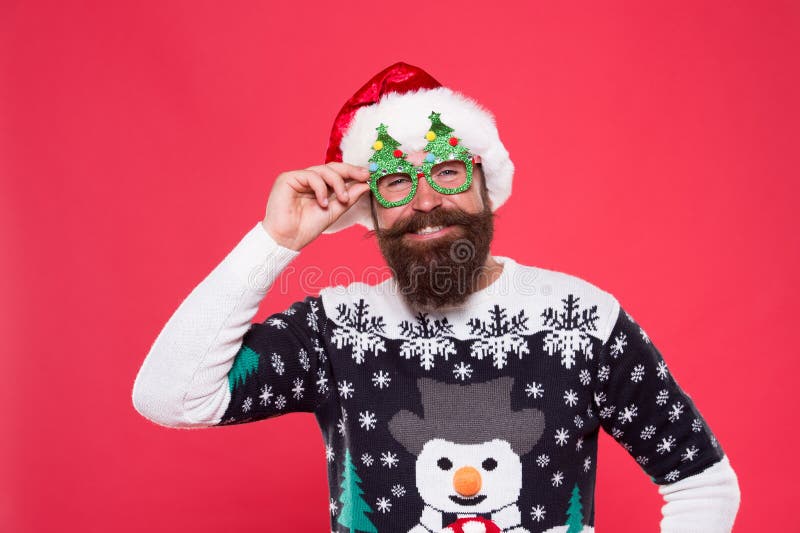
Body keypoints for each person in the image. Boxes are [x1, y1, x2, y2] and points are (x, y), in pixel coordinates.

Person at [132, 63, 740, 533]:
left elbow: (701, 481)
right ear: (369, 208)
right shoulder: (336, 329)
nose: (425, 201)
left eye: (447, 170)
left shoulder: (582, 321)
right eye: (396, 180)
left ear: (484, 182)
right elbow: (170, 396)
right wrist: (276, 241)